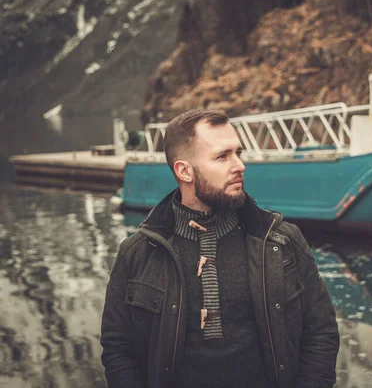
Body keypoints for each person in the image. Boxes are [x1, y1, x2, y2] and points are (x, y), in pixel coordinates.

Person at [100, 109, 340, 388]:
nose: (239, 165)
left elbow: (321, 331)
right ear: (184, 170)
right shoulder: (138, 253)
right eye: (222, 156)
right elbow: (118, 348)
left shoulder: (281, 241)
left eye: (238, 152)